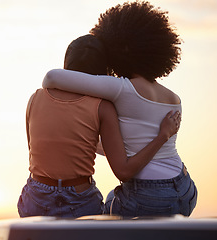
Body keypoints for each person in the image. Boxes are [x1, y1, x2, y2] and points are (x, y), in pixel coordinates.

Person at [42, 1, 197, 217]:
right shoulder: (173, 98)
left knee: (106, 205)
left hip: (147, 196)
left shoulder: (122, 89)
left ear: (118, 51)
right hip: (185, 188)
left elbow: (51, 77)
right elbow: (135, 144)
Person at [17, 34, 181, 218]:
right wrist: (162, 136)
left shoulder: (35, 99)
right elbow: (124, 171)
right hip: (78, 202)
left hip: (35, 197)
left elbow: (38, 149)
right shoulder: (102, 107)